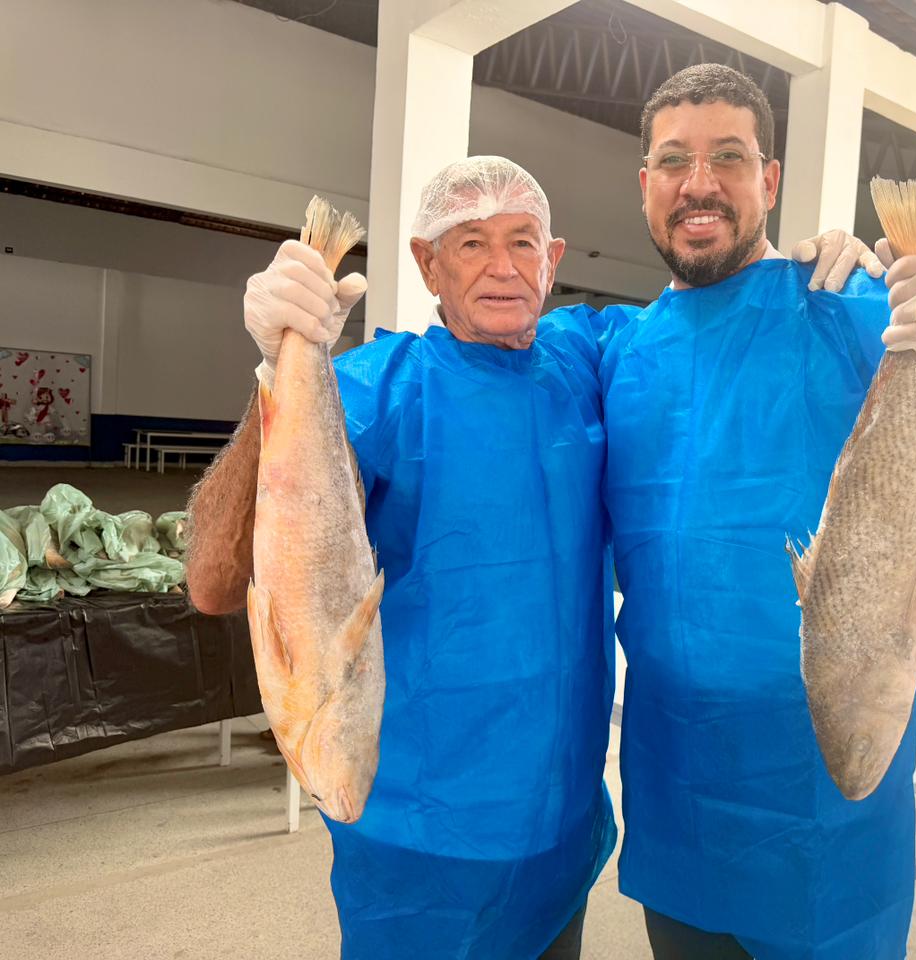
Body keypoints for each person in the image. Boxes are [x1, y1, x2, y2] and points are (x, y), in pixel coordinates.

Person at [184, 155, 872, 959]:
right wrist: (279, 368)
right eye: (470, 244)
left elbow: (704, 321)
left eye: (522, 242)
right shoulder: (375, 389)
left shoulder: (592, 358)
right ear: (426, 264)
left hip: (561, 839)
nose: (503, 268)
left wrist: (803, 269)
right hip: (421, 849)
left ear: (554, 260)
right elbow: (213, 580)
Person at [591, 64, 916, 959]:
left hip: (828, 809)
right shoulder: (616, 355)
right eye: (674, 160)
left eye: (729, 158)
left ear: (771, 180)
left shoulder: (847, 313)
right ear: (645, 186)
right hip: (677, 817)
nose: (699, 182)